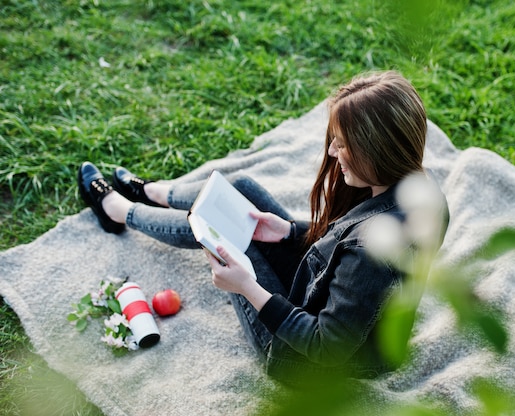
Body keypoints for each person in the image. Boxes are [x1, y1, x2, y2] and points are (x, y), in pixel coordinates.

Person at [77, 70, 449, 385]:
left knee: (218, 227)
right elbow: (342, 249)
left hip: (295, 355)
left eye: (341, 145)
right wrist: (288, 231)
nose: (333, 154)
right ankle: (154, 192)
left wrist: (247, 288)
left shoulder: (373, 250)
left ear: (377, 151)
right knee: (242, 192)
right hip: (316, 294)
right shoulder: (423, 193)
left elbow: (326, 347)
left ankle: (119, 209)